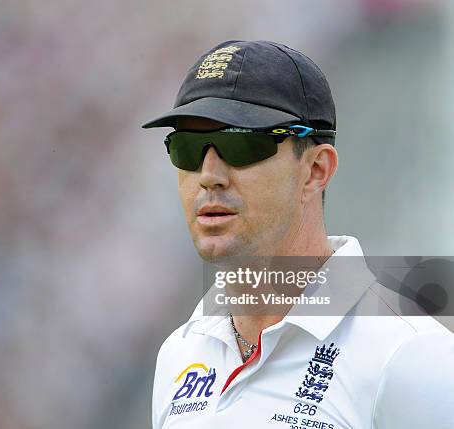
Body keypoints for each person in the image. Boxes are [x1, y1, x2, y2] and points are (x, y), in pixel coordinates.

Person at [142, 40, 454, 429]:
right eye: (186, 148)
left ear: (316, 170)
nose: (209, 176)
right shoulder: (180, 351)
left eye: (241, 143)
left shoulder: (410, 356)